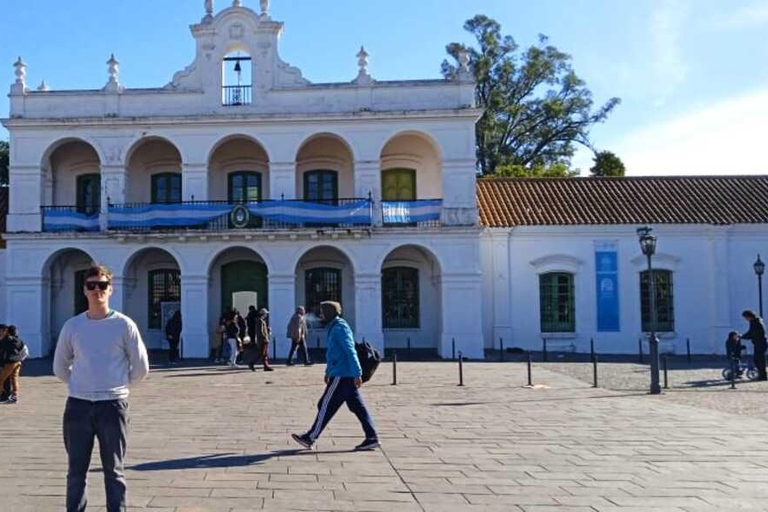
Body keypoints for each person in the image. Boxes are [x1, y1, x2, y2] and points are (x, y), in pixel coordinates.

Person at [53, 264, 149, 512]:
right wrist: (80, 384)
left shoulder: (124, 325)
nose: (97, 290)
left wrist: (116, 385)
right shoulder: (72, 326)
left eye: (102, 285)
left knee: (114, 471)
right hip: (78, 406)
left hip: (113, 406)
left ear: (111, 289)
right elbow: (60, 366)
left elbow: (140, 367)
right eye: (92, 286)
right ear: (84, 290)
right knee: (76, 472)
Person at [292, 301, 379, 451]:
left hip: (342, 375)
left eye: (323, 312)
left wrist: (357, 373)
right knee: (358, 407)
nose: (321, 315)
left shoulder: (339, 328)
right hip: (341, 373)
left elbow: (350, 351)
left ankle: (310, 437)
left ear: (330, 313)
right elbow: (334, 353)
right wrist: (327, 371)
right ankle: (372, 437)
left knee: (325, 405)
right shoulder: (335, 327)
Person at [0, 324, 26, 404]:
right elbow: (22, 348)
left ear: (6, 331)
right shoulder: (18, 340)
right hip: (17, 361)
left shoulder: (6, 340)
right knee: (14, 379)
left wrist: (1, 364)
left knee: (1, 379)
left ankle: (4, 394)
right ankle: (14, 396)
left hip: (9, 362)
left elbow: (4, 354)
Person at [741, 310, 768, 381]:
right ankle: (762, 375)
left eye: (746, 317)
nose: (746, 319)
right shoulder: (754, 322)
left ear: (749, 316)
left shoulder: (757, 323)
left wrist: (742, 336)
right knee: (757, 360)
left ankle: (763, 376)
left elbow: (752, 334)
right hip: (758, 343)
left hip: (760, 344)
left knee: (759, 361)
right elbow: (751, 332)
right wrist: (743, 336)